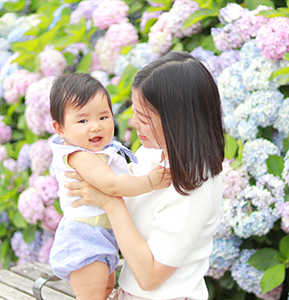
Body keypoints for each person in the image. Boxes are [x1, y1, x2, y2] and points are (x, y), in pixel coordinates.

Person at [64, 51, 225, 300]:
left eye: (144, 118)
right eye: (134, 112)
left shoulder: (195, 185)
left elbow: (150, 277)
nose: (133, 124)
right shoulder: (154, 153)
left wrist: (109, 200)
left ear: (177, 121)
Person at [48, 73, 171, 300]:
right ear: (61, 129)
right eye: (83, 121)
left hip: (102, 235)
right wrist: (150, 182)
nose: (95, 127)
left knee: (106, 290)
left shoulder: (102, 150)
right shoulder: (77, 155)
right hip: (84, 237)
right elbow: (112, 185)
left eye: (103, 117)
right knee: (93, 295)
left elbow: (121, 175)